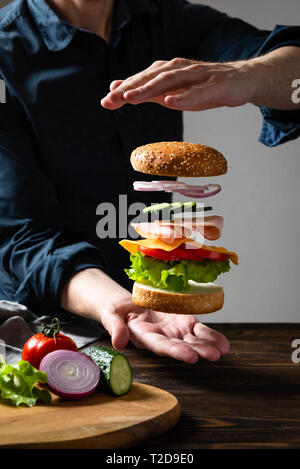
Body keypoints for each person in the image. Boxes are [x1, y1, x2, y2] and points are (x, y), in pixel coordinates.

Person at [0, 0, 299, 364]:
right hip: (35, 331)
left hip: (152, 319)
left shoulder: (166, 19)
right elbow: (19, 234)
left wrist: (247, 75)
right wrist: (114, 301)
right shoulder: (6, 48)